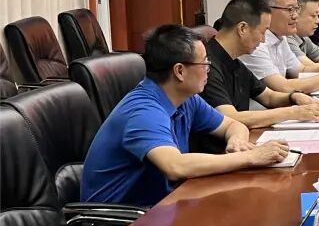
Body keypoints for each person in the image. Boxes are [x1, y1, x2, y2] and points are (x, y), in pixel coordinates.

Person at [81, 25, 290, 206]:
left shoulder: (186, 98)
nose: (209, 70)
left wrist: (237, 141)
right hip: (118, 224)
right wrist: (250, 157)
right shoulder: (144, 111)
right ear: (179, 71)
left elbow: (233, 125)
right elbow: (175, 166)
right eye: (205, 64)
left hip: (162, 206)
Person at [193, 0, 319, 153]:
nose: (263, 40)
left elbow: (268, 96)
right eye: (262, 32)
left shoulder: (234, 61)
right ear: (242, 29)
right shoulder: (206, 66)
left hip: (241, 146)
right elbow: (230, 117)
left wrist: (294, 97)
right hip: (218, 154)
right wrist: (293, 112)